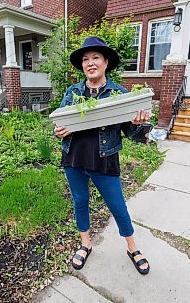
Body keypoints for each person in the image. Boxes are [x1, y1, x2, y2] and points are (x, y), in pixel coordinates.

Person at [54, 36, 150, 275]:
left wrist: (138, 124)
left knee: (117, 205)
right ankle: (85, 243)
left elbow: (132, 132)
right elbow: (60, 123)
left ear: (106, 62)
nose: (90, 63)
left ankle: (132, 248)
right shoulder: (73, 91)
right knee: (80, 202)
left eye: (96, 57)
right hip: (74, 159)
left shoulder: (119, 93)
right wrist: (58, 131)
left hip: (104, 160)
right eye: (86, 59)